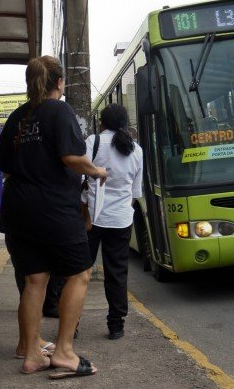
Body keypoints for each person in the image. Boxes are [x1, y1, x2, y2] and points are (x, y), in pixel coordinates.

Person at [0, 56, 107, 379]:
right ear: (59, 82)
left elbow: (3, 163)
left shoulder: (18, 117)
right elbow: (71, 157)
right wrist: (97, 171)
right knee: (80, 273)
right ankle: (64, 352)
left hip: (18, 211)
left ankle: (29, 353)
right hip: (53, 209)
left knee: (35, 280)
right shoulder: (59, 110)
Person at [84, 103, 143, 340]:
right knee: (117, 273)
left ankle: (73, 323)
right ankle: (116, 325)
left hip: (91, 218)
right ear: (125, 124)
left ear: (101, 123)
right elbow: (135, 193)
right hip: (120, 220)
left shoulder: (93, 142)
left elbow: (80, 176)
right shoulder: (136, 150)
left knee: (80, 272)